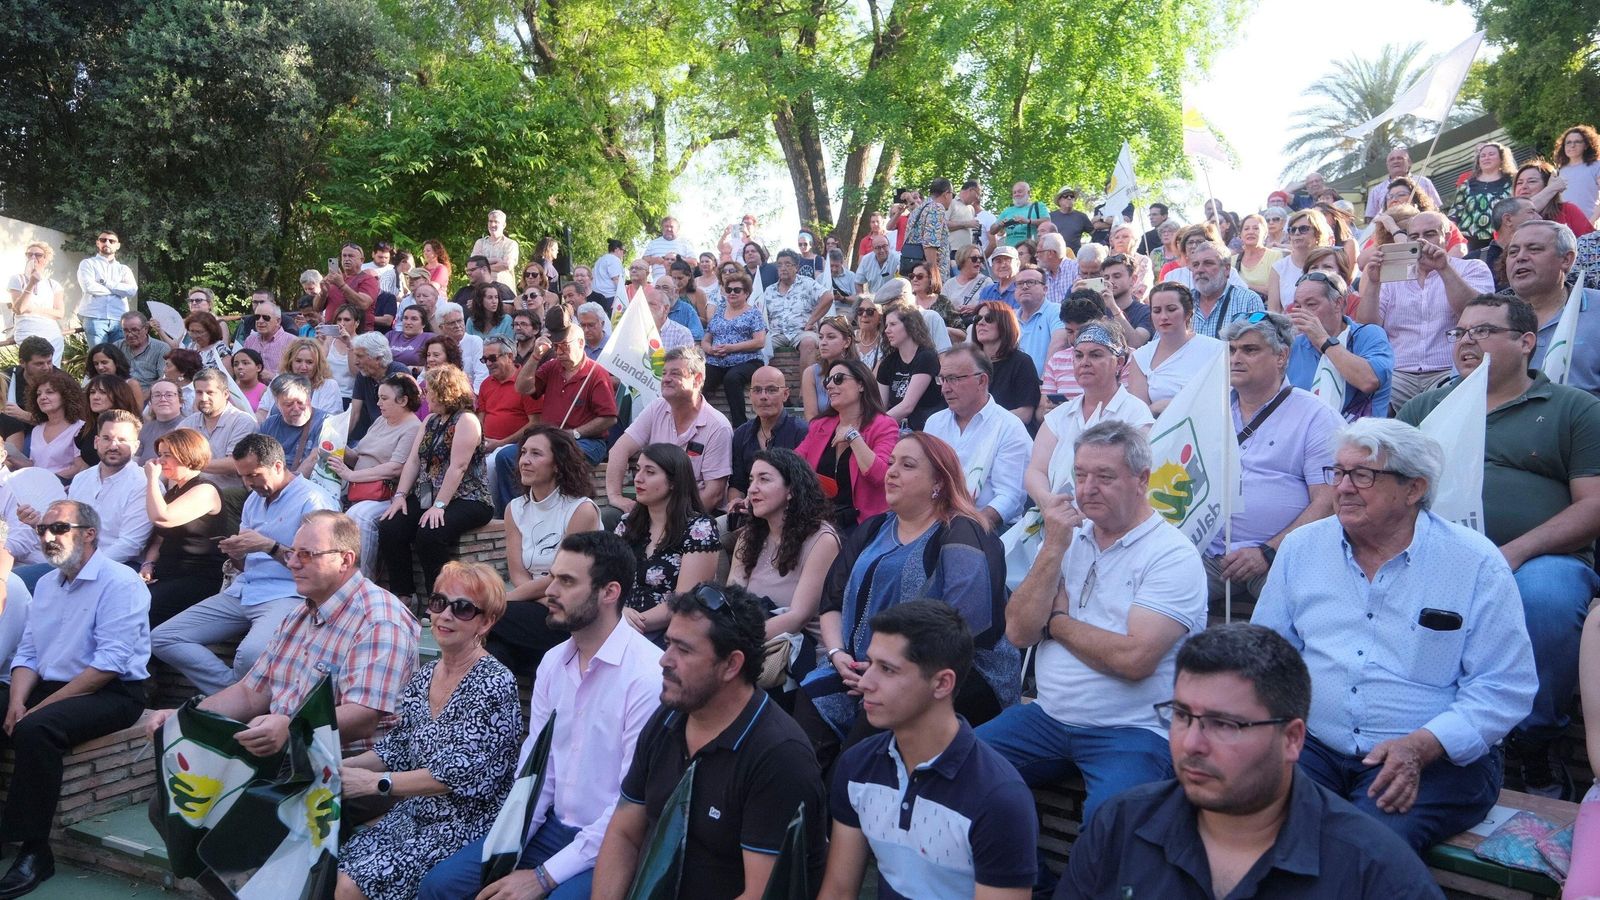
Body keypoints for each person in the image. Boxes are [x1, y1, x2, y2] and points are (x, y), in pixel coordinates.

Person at [1253, 418, 1538, 849]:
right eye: (1338, 472)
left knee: (1361, 848)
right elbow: (1269, 652)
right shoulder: (1301, 548)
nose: (1343, 487)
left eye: (1363, 474)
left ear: (1413, 489)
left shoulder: (1474, 562)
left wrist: (1422, 746)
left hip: (1435, 761)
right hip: (1315, 747)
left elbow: (1504, 687)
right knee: (1247, 820)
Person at [1060, 623, 1443, 899]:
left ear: (1292, 739)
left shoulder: (1376, 872)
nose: (1192, 743)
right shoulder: (1120, 826)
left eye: (1224, 724)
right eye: (1181, 716)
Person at [1397, 295, 1600, 800]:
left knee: (1546, 599)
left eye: (1483, 331)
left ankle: (1534, 742)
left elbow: (1593, 506)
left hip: (1538, 560)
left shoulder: (1573, 408)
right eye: (1460, 332)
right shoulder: (1425, 406)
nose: (1467, 342)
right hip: (1434, 550)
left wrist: (1516, 551)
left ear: (1526, 342)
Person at [984, 421, 1205, 882]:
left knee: (1111, 830)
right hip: (1047, 717)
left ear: (1142, 480)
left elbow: (1134, 660)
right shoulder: (1068, 537)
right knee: (952, 768)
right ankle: (1031, 886)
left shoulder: (1171, 554)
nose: (1087, 488)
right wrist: (1053, 548)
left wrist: (1060, 624)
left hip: (1132, 730)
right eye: (1080, 475)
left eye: (1104, 477)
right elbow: (1020, 631)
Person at [422, 534, 663, 900]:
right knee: (441, 886)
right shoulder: (553, 662)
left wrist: (543, 877)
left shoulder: (646, 676)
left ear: (609, 592)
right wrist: (511, 842)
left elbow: (629, 807)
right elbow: (537, 769)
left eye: (566, 581)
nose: (549, 590)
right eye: (552, 577)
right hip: (548, 828)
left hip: (614, 839)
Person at [591, 583, 828, 900]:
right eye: (668, 644)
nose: (665, 660)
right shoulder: (668, 718)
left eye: (684, 650)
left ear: (731, 664)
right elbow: (624, 834)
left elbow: (762, 894)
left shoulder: (780, 756)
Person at [799, 433, 1019, 767]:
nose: (891, 472)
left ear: (938, 482)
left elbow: (961, 629)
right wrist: (837, 654)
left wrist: (885, 669)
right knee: (805, 720)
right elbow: (832, 601)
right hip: (858, 667)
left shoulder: (961, 532)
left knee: (859, 759)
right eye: (890, 463)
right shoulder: (873, 529)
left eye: (907, 465)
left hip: (946, 675)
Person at [144, 509, 420, 760]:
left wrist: (289, 728)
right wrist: (187, 719)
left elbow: (363, 716)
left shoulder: (380, 620)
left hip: (351, 771)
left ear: (345, 560)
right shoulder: (299, 615)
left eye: (307, 554)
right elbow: (251, 694)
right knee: (175, 801)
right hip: (294, 756)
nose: (292, 564)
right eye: (292, 553)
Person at [820, 601, 1037, 900]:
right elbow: (839, 891)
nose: (866, 682)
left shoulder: (999, 798)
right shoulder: (858, 765)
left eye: (887, 669)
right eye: (870, 663)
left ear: (942, 683)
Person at [335, 560, 521, 900]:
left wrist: (375, 784)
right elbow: (399, 747)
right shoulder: (425, 676)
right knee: (337, 863)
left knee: (353, 884)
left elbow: (459, 775)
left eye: (463, 608)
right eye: (438, 602)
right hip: (417, 812)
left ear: (486, 622)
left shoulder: (494, 682)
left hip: (467, 822)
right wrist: (337, 767)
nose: (446, 615)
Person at [0, 500, 149, 898]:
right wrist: (18, 701)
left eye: (59, 529)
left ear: (89, 533)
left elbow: (109, 664)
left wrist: (38, 709)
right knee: (15, 713)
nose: (48, 537)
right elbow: (28, 652)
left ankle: (35, 851)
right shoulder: (47, 583)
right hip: (53, 685)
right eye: (42, 530)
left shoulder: (121, 582)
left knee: (37, 728)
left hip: (113, 692)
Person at [150, 433, 338, 694]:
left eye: (253, 475)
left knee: (249, 655)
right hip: (244, 590)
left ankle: (236, 702)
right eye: (242, 476)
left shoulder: (313, 500)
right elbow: (245, 564)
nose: (248, 483)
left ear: (278, 466)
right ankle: (233, 695)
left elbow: (322, 569)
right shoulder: (253, 500)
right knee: (162, 638)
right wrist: (235, 553)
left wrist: (267, 546)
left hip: (288, 594)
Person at [1207, 313, 1340, 610]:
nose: (1236, 358)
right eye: (1231, 350)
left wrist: (1267, 551)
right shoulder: (1207, 409)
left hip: (1281, 556)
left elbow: (1329, 501)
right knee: (1149, 591)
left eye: (1249, 350)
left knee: (1302, 614)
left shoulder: (1316, 416)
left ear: (1281, 356)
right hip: (1209, 554)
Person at [484, 427, 601, 679]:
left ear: (558, 464)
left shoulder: (580, 510)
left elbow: (562, 578)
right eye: (523, 452)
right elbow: (518, 572)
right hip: (538, 605)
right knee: (496, 653)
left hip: (573, 610)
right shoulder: (515, 509)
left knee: (483, 615)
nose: (525, 460)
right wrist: (536, 599)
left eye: (536, 454)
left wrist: (504, 601)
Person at [378, 364, 494, 610]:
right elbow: (413, 460)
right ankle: (404, 594)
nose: (424, 395)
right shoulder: (430, 420)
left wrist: (440, 505)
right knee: (391, 525)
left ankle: (439, 600)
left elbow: (458, 467)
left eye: (429, 390)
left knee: (430, 534)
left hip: (468, 498)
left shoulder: (467, 420)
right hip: (429, 495)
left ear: (445, 391)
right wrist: (400, 495)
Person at [1354, 210, 1495, 410]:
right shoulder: (1393, 276)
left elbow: (1477, 315)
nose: (1421, 241)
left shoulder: (1472, 268)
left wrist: (1444, 269)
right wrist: (1374, 283)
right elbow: (1368, 327)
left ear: (1446, 238)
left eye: (1429, 234)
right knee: (1368, 404)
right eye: (1414, 236)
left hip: (1449, 371)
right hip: (1398, 373)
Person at [1026, 323, 1155, 505]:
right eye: (1079, 355)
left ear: (1118, 363)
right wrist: (1048, 502)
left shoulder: (1136, 414)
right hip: (1054, 514)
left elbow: (1134, 476)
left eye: (1095, 355)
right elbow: (1036, 470)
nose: (1084, 362)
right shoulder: (1060, 415)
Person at [612, 443, 720, 641]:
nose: (638, 478)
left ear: (673, 482)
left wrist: (622, 623)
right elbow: (605, 581)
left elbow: (684, 601)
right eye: (638, 470)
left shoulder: (699, 529)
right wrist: (618, 615)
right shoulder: (627, 525)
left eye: (650, 472)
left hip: (670, 632)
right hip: (620, 624)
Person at [607, 346, 732, 514]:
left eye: (675, 373)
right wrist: (615, 496)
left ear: (697, 379)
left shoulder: (718, 426)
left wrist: (669, 522)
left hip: (695, 514)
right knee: (609, 516)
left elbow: (713, 494)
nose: (666, 379)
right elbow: (619, 450)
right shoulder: (656, 408)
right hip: (653, 506)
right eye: (664, 373)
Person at [924, 346, 1032, 531]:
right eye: (942, 379)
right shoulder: (935, 423)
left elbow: (1009, 498)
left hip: (986, 528)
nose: (944, 389)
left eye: (953, 379)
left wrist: (966, 529)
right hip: (932, 520)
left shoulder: (1009, 427)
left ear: (981, 381)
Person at [328, 373, 423, 577]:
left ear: (403, 400)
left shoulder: (413, 427)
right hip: (357, 488)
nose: (378, 403)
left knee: (359, 515)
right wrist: (338, 447)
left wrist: (351, 475)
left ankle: (362, 579)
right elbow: (360, 456)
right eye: (378, 397)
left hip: (388, 494)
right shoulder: (381, 420)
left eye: (384, 398)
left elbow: (396, 468)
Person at [140, 428, 229, 627]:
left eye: (167, 455)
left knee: (146, 607)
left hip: (197, 576)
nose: (160, 461)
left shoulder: (205, 489)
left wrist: (152, 479)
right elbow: (159, 538)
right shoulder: (173, 492)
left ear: (187, 456)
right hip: (165, 573)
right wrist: (148, 565)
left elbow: (162, 518)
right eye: (160, 455)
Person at [1286, 271, 1394, 419]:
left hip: (1361, 437)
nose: (1303, 312)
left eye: (1311, 305)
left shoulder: (1369, 334)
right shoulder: (1294, 345)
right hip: (1305, 436)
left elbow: (1368, 381)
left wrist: (1323, 340)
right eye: (1297, 306)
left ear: (1338, 303)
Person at [1511, 221, 1600, 396]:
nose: (1520, 257)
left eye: (1534, 249)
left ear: (1566, 260)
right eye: (1512, 252)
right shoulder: (1489, 316)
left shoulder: (1596, 309)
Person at [1128, 282, 1224, 416]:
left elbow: (1220, 401)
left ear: (1188, 313)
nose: (1163, 317)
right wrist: (1154, 409)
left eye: (1171, 309)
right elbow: (1139, 415)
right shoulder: (1141, 356)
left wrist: (1169, 405)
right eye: (1156, 311)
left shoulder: (1215, 349)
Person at [725, 366, 807, 511]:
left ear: (785, 394)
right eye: (757, 390)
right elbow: (737, 484)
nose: (763, 396)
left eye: (771, 390)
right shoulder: (741, 434)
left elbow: (804, 486)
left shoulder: (801, 432)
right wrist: (736, 501)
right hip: (751, 514)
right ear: (750, 395)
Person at [476, 335, 542, 512]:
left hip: (513, 445)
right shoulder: (485, 384)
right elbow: (480, 418)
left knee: (490, 466)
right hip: (487, 444)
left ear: (510, 356)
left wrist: (501, 443)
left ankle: (501, 516)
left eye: (492, 358)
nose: (488, 364)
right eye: (484, 359)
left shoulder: (526, 382)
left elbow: (534, 423)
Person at [701, 270, 768, 428]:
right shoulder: (719, 312)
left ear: (746, 293)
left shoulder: (754, 314)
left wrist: (731, 348)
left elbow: (760, 342)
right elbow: (706, 339)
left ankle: (740, 426)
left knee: (732, 378)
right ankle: (698, 419)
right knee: (699, 380)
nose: (732, 293)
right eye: (728, 289)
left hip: (748, 360)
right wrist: (710, 350)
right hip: (717, 360)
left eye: (737, 290)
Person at [175, 367, 259, 490]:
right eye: (199, 392)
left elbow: (236, 463)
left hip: (227, 494)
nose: (203, 398)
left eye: (210, 393)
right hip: (191, 490)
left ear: (226, 394)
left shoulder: (242, 422)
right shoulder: (188, 423)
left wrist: (190, 464)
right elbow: (172, 455)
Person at [1037, 295, 1110, 417]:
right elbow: (1040, 414)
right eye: (1070, 331)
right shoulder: (1056, 361)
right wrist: (1049, 412)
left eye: (1082, 330)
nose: (1076, 337)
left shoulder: (1119, 358)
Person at [877, 301, 946, 429]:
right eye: (886, 326)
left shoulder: (926, 357)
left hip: (926, 429)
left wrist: (876, 426)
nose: (887, 330)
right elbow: (880, 407)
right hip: (898, 428)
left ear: (910, 326)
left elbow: (907, 406)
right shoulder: (887, 364)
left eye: (892, 324)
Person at [971, 301, 1041, 423]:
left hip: (1007, 435)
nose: (981, 323)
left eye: (989, 318)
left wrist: (983, 423)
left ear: (1005, 324)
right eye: (977, 319)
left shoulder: (1022, 362)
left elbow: (1025, 413)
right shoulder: (970, 363)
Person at [16, 371, 87, 481]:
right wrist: (10, 457)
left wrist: (48, 480)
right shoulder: (37, 430)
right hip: (37, 488)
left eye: (50, 392)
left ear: (65, 396)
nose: (42, 397)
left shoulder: (80, 428)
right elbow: (36, 466)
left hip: (65, 490)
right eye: (39, 394)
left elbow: (79, 468)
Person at [1448, 142, 1517, 252]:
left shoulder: (1513, 181)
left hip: (1505, 240)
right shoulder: (1467, 184)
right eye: (1483, 156)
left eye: (1491, 154)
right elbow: (1455, 214)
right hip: (1471, 243)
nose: (1486, 158)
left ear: (1502, 158)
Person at [347, 332, 414, 445]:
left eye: (360, 356)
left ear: (378, 358)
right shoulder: (363, 375)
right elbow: (354, 413)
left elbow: (403, 415)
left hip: (391, 438)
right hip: (368, 436)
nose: (355, 362)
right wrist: (340, 440)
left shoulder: (399, 373)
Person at [257, 373, 328, 478]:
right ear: (277, 404)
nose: (296, 408)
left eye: (300, 402)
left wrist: (288, 488)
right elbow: (257, 459)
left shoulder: (325, 422)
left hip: (307, 488)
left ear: (309, 399)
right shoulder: (269, 425)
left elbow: (314, 458)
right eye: (289, 404)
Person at [75, 230, 138, 347]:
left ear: (117, 245)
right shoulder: (88, 264)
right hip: (94, 318)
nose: (107, 243)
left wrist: (105, 283)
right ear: (98, 243)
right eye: (103, 240)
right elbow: (88, 287)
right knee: (98, 357)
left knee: (118, 358)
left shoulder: (124, 269)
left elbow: (131, 290)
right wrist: (117, 290)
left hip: (119, 319)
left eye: (111, 241)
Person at [6, 242, 64, 364]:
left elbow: (59, 313)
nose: (33, 258)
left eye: (38, 255)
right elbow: (19, 309)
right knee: (36, 370)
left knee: (53, 371)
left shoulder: (53, 284)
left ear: (46, 259)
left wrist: (33, 309)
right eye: (29, 254)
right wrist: (31, 283)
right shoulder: (18, 279)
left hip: (52, 333)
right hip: (28, 332)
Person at [1515, 159, 1596, 237]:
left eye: (1532, 181)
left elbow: (1592, 244)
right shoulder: (1508, 217)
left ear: (1547, 185)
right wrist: (1553, 188)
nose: (1523, 187)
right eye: (1519, 183)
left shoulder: (1567, 210)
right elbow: (1521, 213)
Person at [801, 316, 858, 420]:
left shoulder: (859, 372)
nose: (823, 342)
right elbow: (811, 417)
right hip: (821, 432)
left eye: (831, 337)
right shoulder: (811, 373)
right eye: (821, 337)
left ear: (847, 342)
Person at [1365, 146, 1442, 218]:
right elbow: (1370, 219)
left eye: (1400, 158)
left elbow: (1437, 208)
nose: (1396, 161)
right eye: (1392, 159)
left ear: (1409, 163)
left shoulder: (1424, 182)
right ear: (1387, 165)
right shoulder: (1376, 191)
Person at [324, 243, 382, 328]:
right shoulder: (334, 278)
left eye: (351, 256)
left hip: (359, 334)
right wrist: (322, 293)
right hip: (331, 331)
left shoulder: (369, 279)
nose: (346, 259)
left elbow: (363, 304)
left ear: (362, 260)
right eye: (344, 256)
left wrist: (341, 285)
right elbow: (317, 308)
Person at [109, 311, 169, 392]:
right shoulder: (116, 347)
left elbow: (164, 377)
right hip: (120, 394)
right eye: (126, 330)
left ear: (146, 329)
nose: (130, 335)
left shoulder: (161, 348)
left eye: (135, 330)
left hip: (149, 395)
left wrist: (144, 397)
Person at [1555, 124, 1600, 223]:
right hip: (1566, 224)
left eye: (1577, 142)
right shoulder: (1559, 170)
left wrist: (1592, 221)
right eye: (1568, 142)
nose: (1572, 145)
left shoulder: (1597, 166)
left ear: (1586, 145)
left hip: (1589, 222)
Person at [137, 380, 187, 464]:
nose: (163, 399)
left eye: (169, 395)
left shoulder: (189, 428)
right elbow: (135, 461)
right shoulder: (145, 429)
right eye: (157, 395)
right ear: (150, 403)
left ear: (181, 402)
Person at [470, 210, 520, 289]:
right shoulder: (480, 243)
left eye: (496, 222)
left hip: (503, 290)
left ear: (504, 225)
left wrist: (482, 267)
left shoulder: (511, 244)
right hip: (481, 290)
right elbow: (473, 263)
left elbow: (506, 265)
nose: (492, 224)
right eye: (490, 221)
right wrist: (496, 260)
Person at [387, 303, 434, 368]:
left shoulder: (430, 338)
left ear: (423, 324)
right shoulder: (391, 335)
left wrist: (416, 368)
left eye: (414, 319)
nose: (408, 322)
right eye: (405, 318)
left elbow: (437, 364)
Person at [230, 347, 268, 412]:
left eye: (245, 363)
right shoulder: (229, 390)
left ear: (258, 367)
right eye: (236, 364)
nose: (240, 367)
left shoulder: (265, 392)